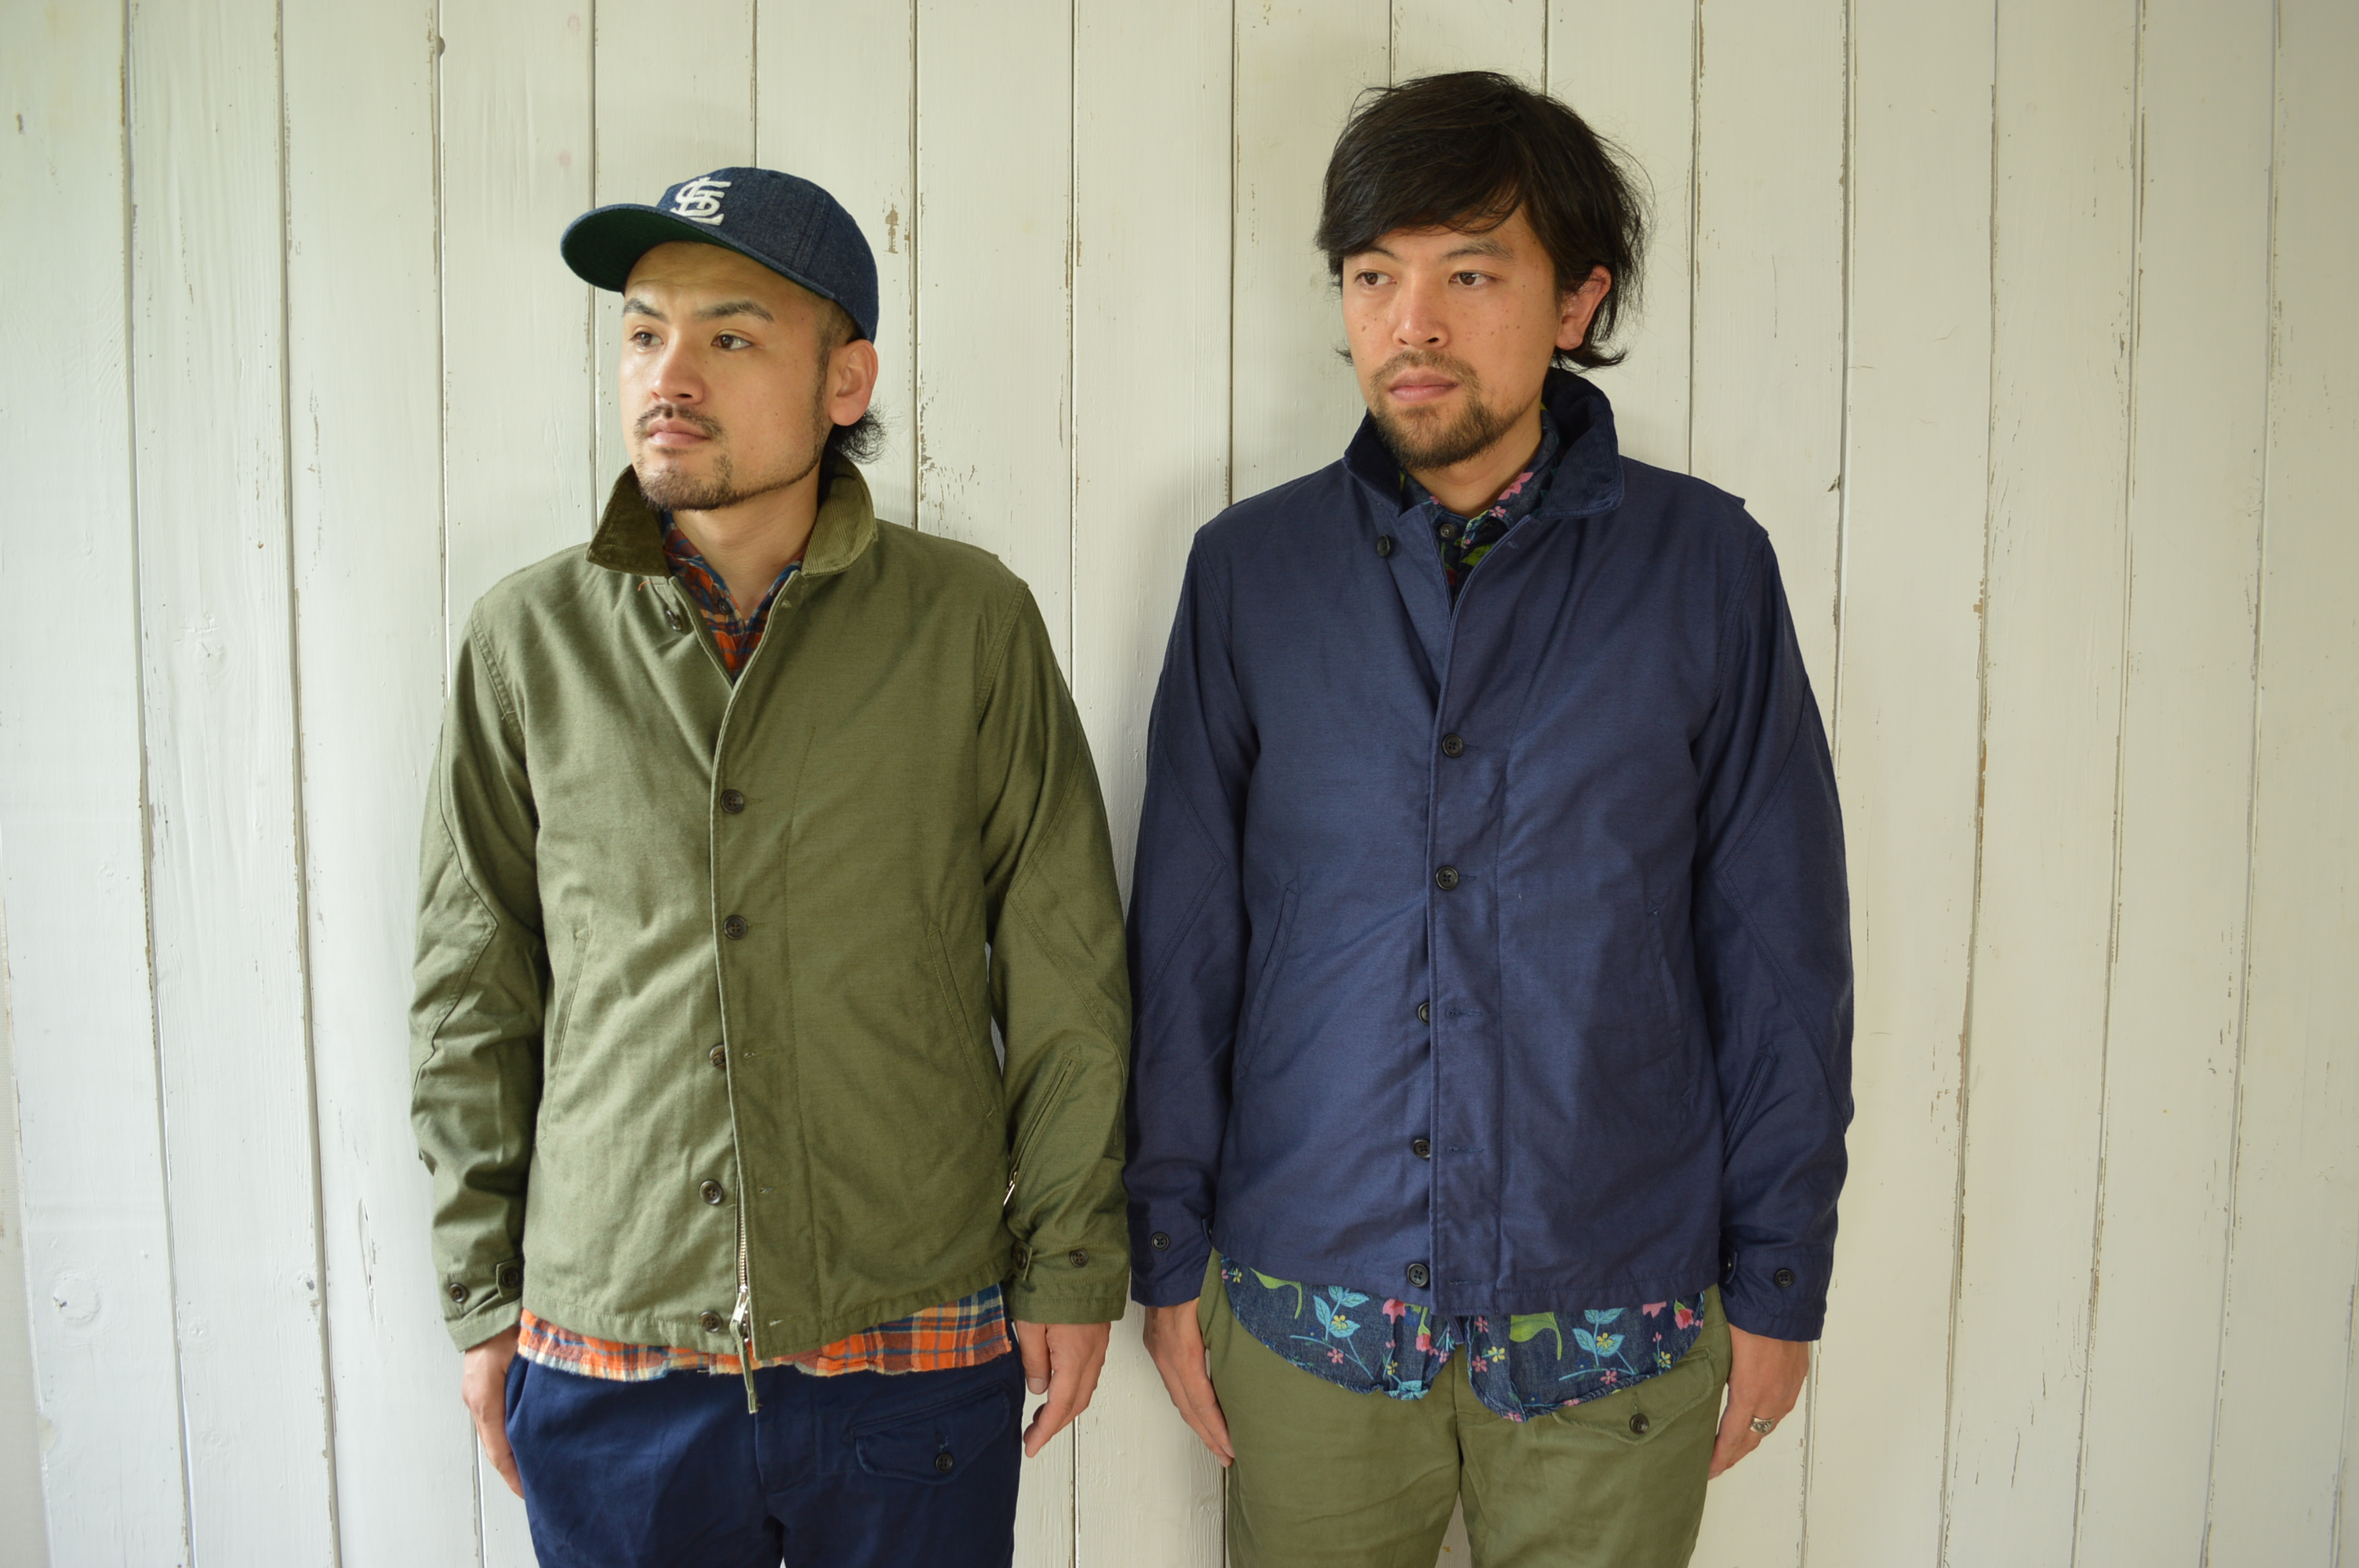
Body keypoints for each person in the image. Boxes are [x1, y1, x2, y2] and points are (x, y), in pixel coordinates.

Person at [1125, 74, 1852, 1568]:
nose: (1413, 324)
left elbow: (1779, 944)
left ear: (1579, 298)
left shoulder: (1706, 567)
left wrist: (1782, 1281)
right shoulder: (1249, 574)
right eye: (1372, 276)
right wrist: (1165, 1252)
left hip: (1614, 1318)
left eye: (1471, 273)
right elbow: (1187, 942)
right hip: (1311, 1309)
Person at [409, 166, 1132, 1568]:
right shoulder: (527, 642)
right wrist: (483, 1297)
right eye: (643, 332)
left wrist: (1069, 1263)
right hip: (610, 1355)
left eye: (730, 336)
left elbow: (1066, 970)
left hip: (910, 1341)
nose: (669, 376)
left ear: (845, 380)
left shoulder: (969, 626)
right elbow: (470, 987)